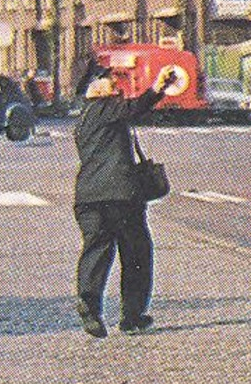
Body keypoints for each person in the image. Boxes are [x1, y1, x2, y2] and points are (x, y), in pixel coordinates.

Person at [72, 63, 180, 338]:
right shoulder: (105, 108)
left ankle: (88, 301)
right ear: (93, 86)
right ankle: (132, 316)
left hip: (88, 198)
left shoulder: (84, 117)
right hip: (119, 197)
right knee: (136, 252)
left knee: (96, 249)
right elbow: (136, 107)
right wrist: (157, 87)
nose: (116, 84)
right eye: (109, 79)